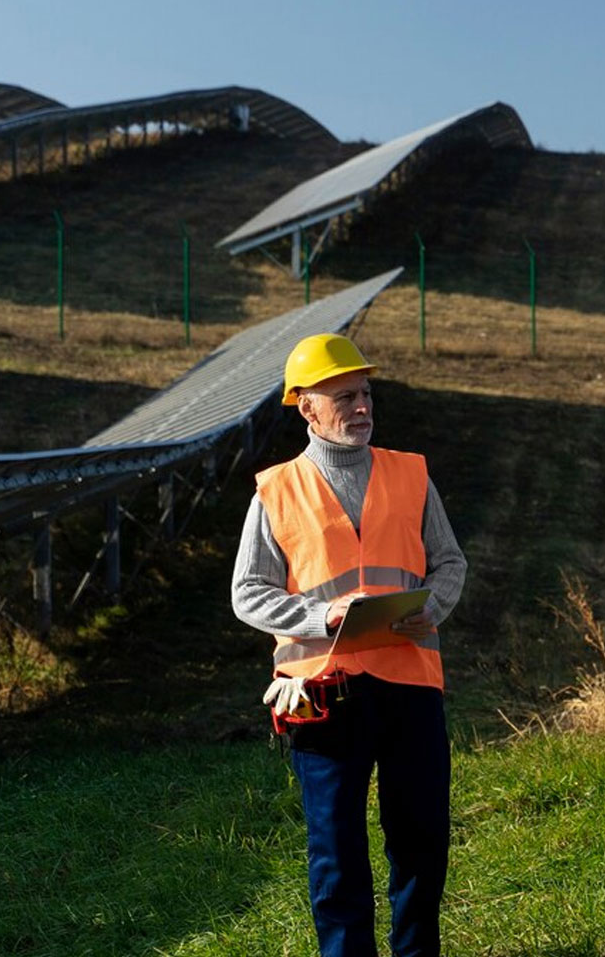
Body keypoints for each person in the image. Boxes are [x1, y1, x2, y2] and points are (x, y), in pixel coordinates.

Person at [231, 332, 467, 957]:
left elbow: (449, 563)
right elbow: (247, 593)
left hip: (410, 685)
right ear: (305, 407)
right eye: (344, 397)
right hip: (320, 694)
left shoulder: (411, 473)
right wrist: (320, 616)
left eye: (364, 393)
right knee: (336, 851)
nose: (361, 406)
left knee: (421, 839)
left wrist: (431, 608)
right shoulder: (276, 490)